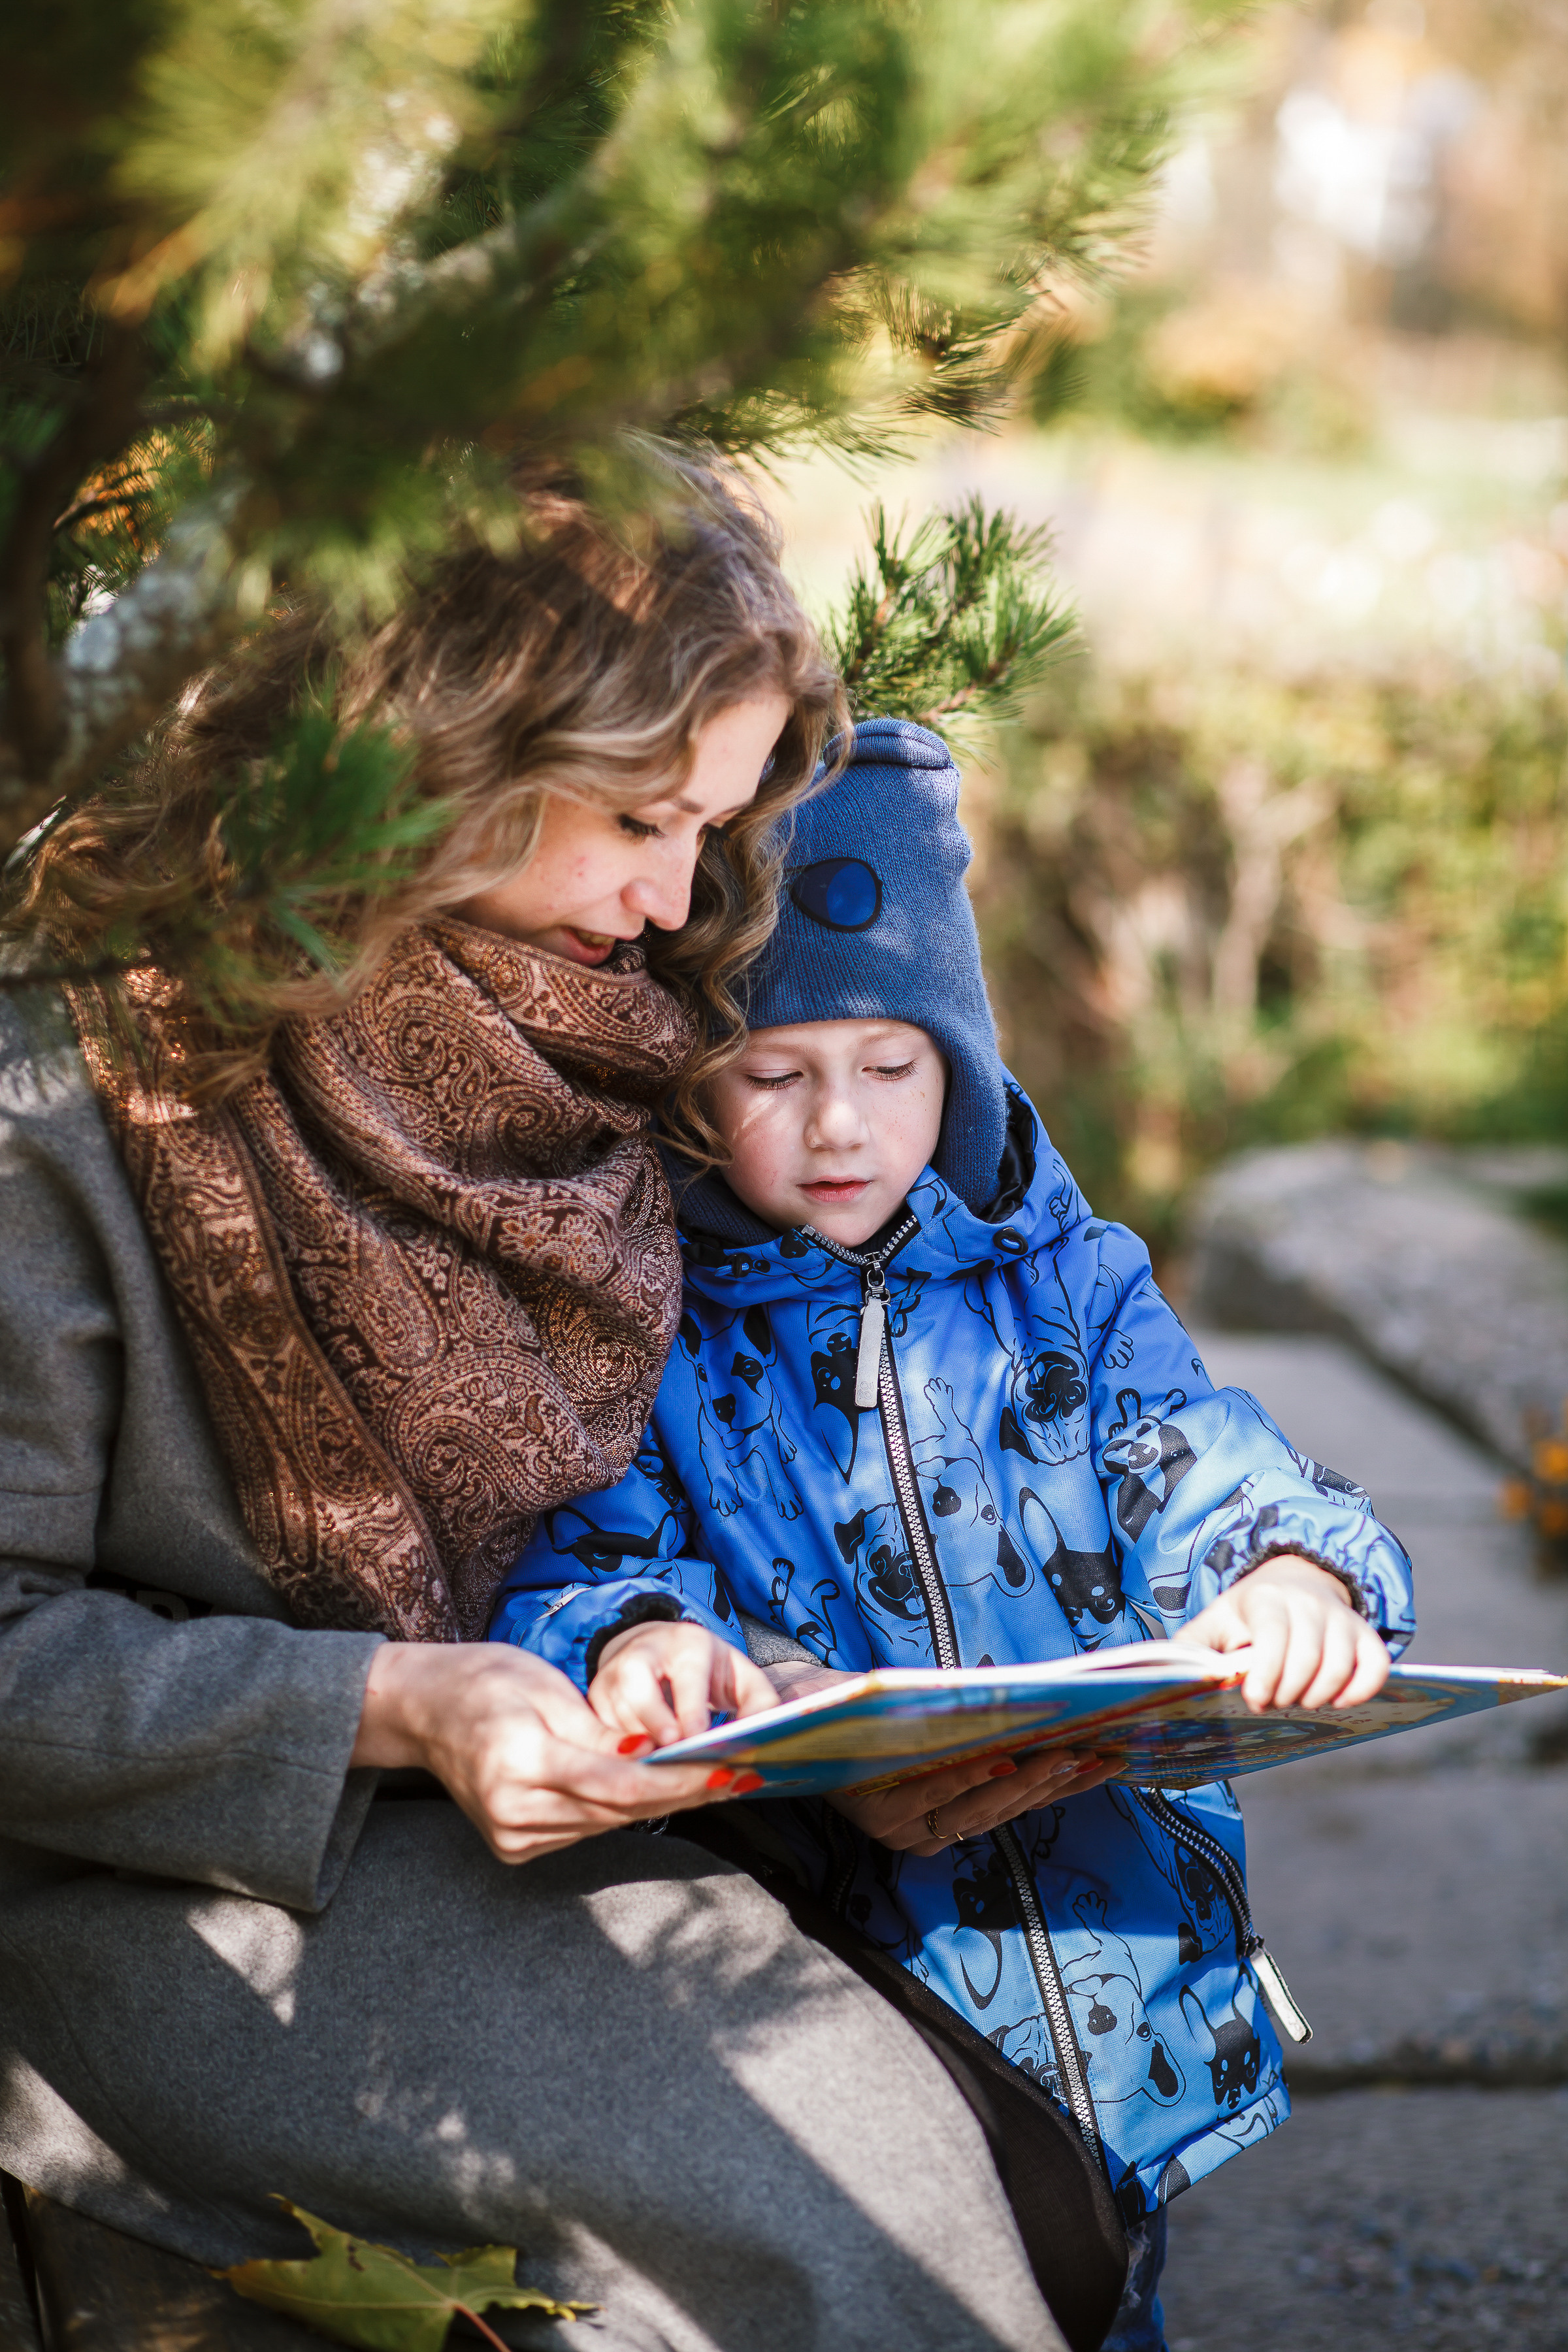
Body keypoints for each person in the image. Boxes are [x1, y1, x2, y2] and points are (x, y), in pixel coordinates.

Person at [0, 477, 1074, 2352]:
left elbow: (623, 1525)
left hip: (566, 1802)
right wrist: (395, 1707)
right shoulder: (69, 1096)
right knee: (855, 2203)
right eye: (642, 821)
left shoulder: (609, 1048)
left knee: (1039, 2190)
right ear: (433, 754)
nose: (677, 904)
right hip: (181, 1875)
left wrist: (812, 1743)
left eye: (714, 827)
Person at [489, 717, 1419, 2352]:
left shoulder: (1071, 1279)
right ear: (693, 1086)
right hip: (851, 1962)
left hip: (1120, 1944)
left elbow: (1198, 1455)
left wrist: (1286, 1566)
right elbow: (585, 1552)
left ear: (964, 1067)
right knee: (910, 2284)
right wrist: (641, 1641)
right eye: (774, 1076)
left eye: (893, 1067)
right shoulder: (649, 1322)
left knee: (1110, 2274)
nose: (839, 1123)